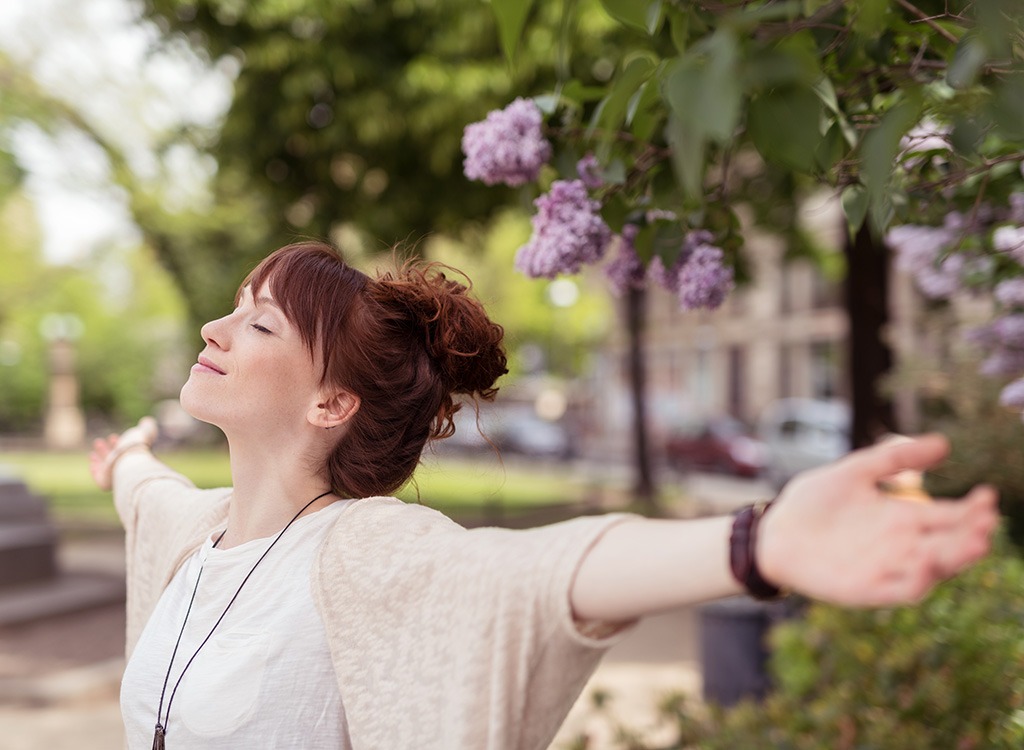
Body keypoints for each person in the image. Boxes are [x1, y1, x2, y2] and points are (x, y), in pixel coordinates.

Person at [90, 241, 998, 750]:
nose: (216, 326)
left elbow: (537, 572)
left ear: (332, 401)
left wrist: (755, 544)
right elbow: (145, 490)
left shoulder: (359, 552)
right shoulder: (191, 532)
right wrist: (125, 457)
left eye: (257, 321)